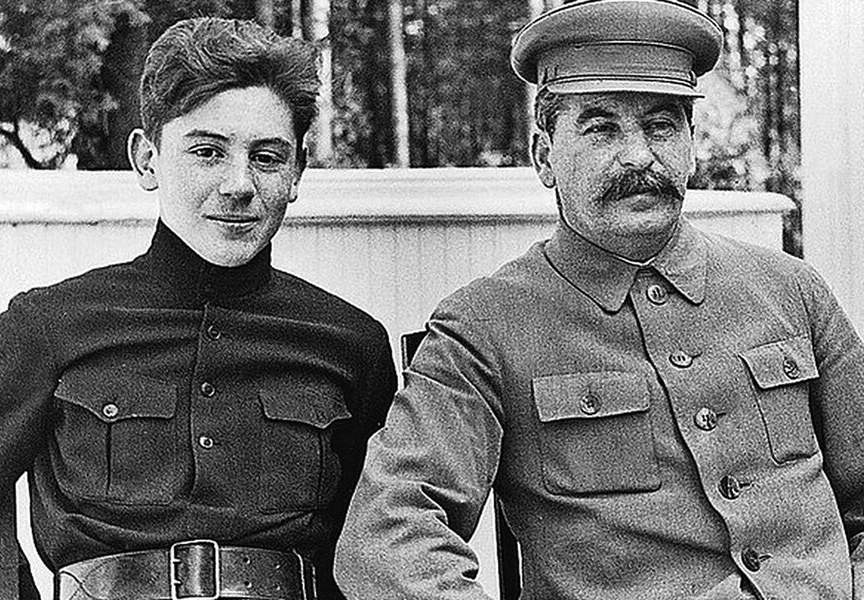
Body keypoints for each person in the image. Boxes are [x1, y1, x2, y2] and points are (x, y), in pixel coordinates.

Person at [334, 1, 864, 599]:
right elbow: (388, 538)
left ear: (691, 145)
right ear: (544, 157)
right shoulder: (485, 328)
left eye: (661, 126)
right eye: (602, 128)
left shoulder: (790, 290)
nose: (639, 156)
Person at [0, 17, 397, 600]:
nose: (239, 185)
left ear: (296, 173)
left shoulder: (350, 345)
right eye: (207, 152)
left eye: (267, 158)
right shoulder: (48, 328)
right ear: (147, 160)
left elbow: (373, 549)